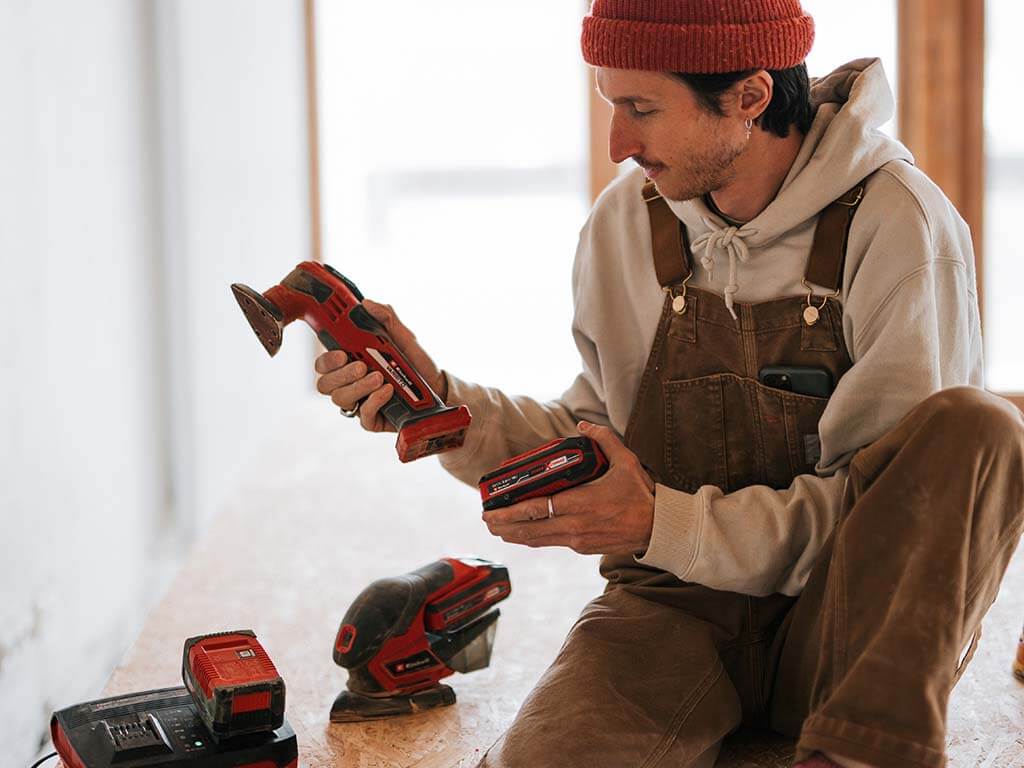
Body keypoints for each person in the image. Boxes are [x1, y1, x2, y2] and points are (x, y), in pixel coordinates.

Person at [314, 2, 1024, 766]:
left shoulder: (899, 224)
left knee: (980, 430)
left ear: (750, 97)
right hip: (671, 608)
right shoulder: (626, 221)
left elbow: (886, 516)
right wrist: (439, 405)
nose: (619, 144)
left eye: (641, 108)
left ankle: (855, 752)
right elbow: (594, 435)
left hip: (849, 620)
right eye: (610, 103)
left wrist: (659, 523)